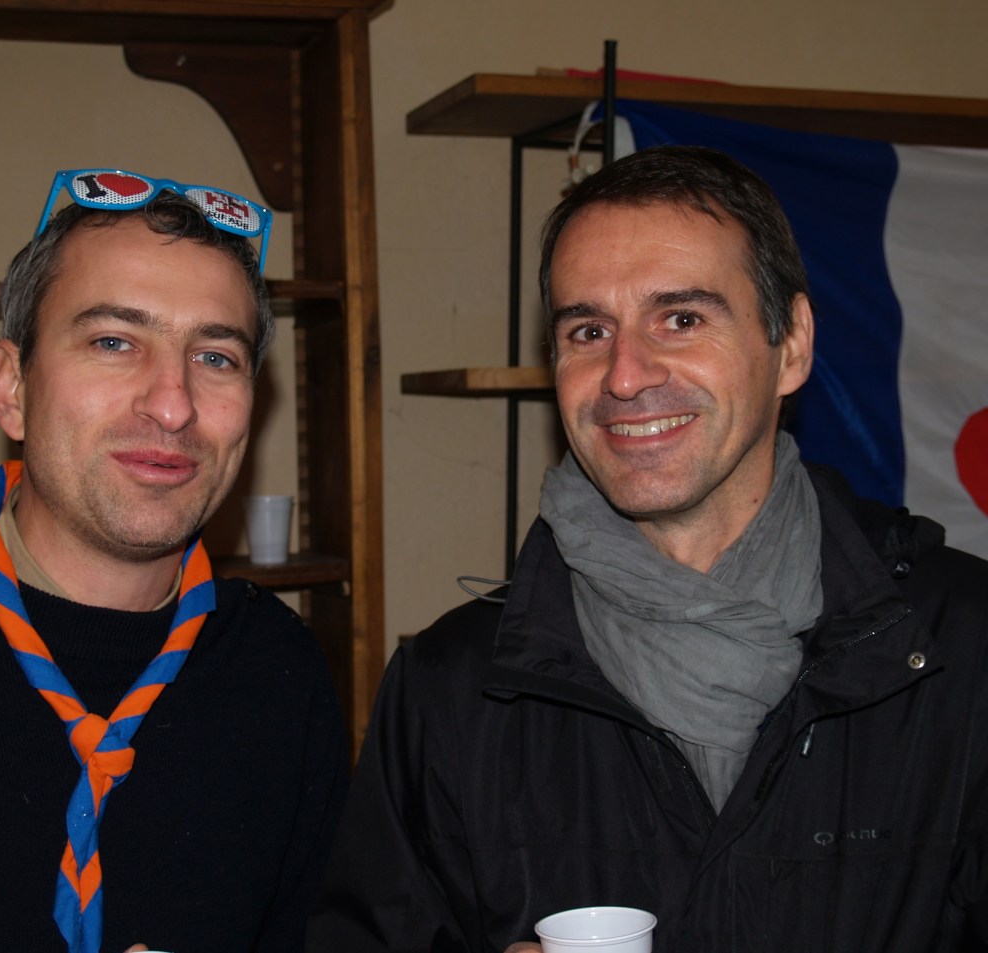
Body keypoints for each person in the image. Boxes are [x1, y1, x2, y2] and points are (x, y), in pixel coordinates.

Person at [307, 146, 988, 952]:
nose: (624, 376)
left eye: (682, 318)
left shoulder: (961, 650)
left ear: (792, 345)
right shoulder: (451, 690)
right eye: (589, 330)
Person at [0, 169, 347, 953]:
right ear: (12, 389)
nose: (173, 403)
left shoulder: (283, 676)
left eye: (216, 356)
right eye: (114, 341)